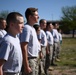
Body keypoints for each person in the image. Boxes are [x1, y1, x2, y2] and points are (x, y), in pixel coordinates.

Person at [19, 7, 39, 75]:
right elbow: (23, 47)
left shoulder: (32, 28)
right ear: (30, 17)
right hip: (30, 59)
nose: (38, 17)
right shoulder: (27, 28)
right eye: (36, 15)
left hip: (34, 59)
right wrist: (26, 65)